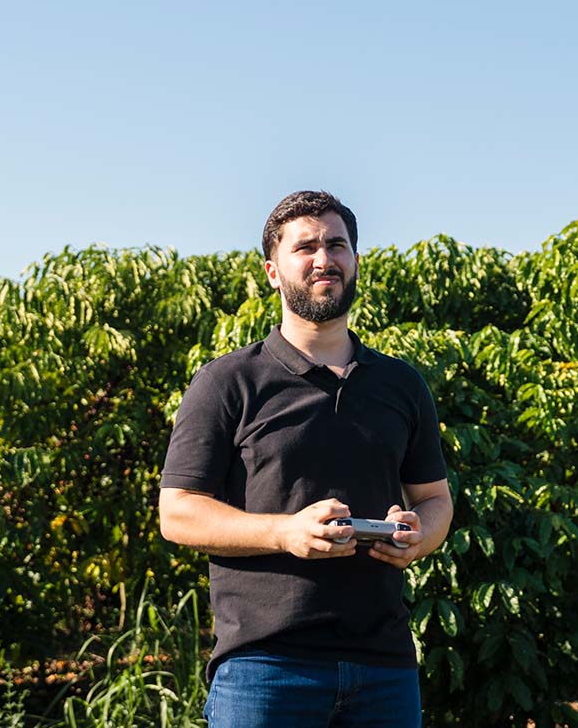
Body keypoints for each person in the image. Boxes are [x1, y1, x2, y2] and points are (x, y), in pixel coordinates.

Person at [159, 190, 452, 728]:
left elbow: (435, 501)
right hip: (266, 667)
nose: (324, 258)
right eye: (306, 246)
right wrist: (285, 533)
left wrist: (417, 536)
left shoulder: (401, 385)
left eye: (337, 245)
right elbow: (177, 512)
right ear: (273, 271)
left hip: (384, 668)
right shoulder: (227, 382)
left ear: (356, 261)